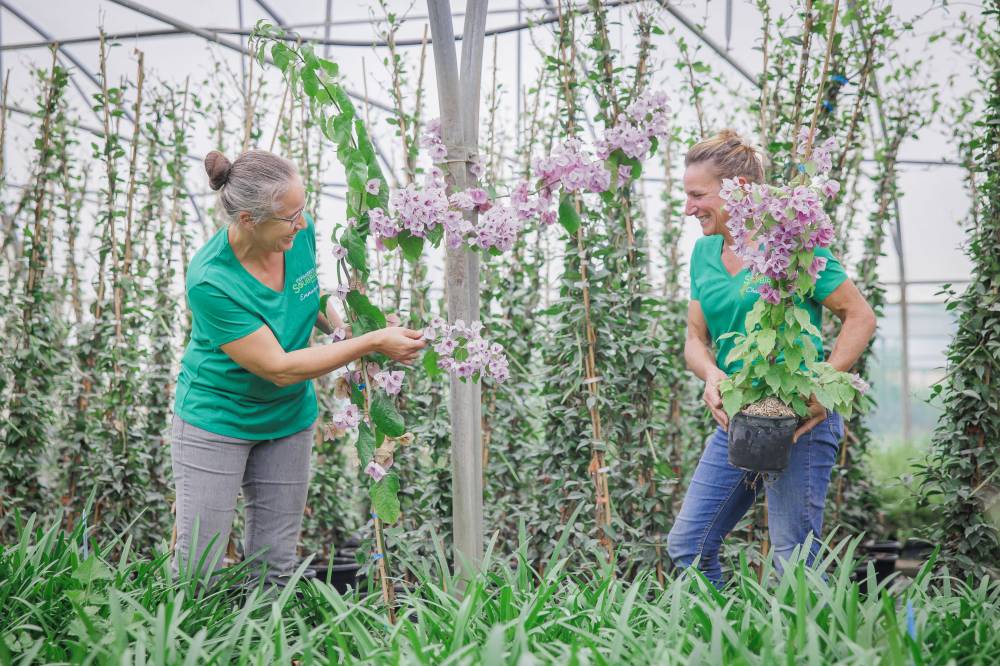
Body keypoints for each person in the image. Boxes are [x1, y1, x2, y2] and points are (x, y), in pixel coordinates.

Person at [171, 149, 425, 586]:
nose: (302, 224)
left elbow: (310, 295)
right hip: (217, 421)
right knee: (200, 567)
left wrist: (347, 329)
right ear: (248, 219)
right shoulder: (211, 280)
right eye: (290, 217)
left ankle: (263, 629)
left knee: (274, 565)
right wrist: (371, 342)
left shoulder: (295, 236)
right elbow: (279, 367)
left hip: (287, 419)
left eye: (301, 209)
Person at [666, 130, 877, 587]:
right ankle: (719, 631)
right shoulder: (704, 253)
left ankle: (813, 633)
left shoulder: (791, 241)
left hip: (801, 418)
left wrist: (821, 386)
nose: (688, 208)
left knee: (794, 559)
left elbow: (859, 316)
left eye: (697, 195)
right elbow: (694, 337)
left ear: (737, 189)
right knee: (689, 546)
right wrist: (711, 375)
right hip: (738, 419)